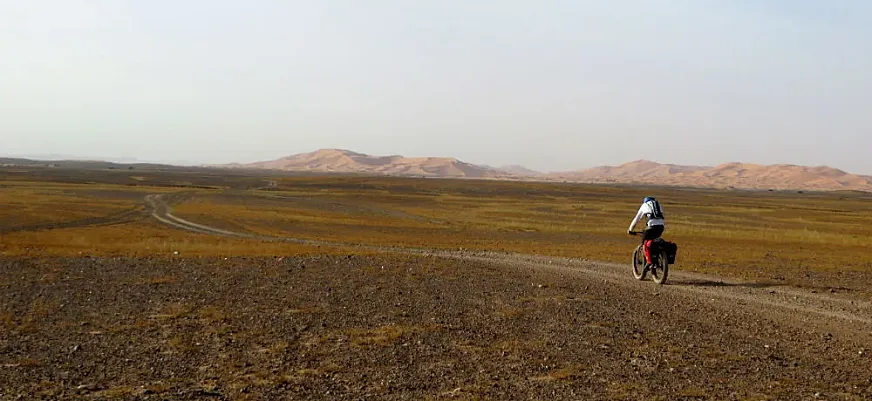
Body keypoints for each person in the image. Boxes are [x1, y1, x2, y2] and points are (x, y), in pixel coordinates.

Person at [627, 196, 665, 266]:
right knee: (654, 241)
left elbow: (637, 218)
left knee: (645, 242)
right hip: (661, 227)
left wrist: (630, 229)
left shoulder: (645, 205)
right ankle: (656, 259)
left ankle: (649, 262)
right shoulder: (658, 204)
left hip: (651, 227)